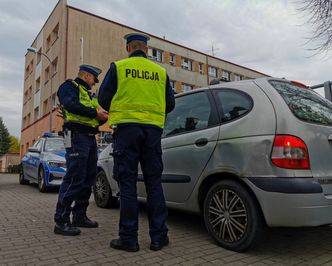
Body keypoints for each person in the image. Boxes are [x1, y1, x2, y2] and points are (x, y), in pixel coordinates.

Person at [98, 32, 175, 252]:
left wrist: (122, 106)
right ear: (146, 50)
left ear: (129, 48)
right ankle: (159, 237)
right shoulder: (160, 72)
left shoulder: (119, 67)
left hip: (126, 131)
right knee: (154, 183)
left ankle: (129, 238)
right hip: (152, 132)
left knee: (127, 184)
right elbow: (170, 104)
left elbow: (103, 98)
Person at [54, 64, 109, 236]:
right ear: (85, 75)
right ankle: (61, 220)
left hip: (90, 137)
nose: (94, 83)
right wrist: (95, 113)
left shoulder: (91, 95)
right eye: (93, 79)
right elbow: (71, 105)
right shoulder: (69, 87)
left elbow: (95, 120)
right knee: (75, 176)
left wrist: (102, 117)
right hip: (76, 135)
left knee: (88, 177)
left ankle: (79, 216)